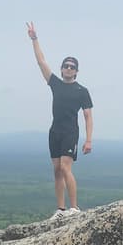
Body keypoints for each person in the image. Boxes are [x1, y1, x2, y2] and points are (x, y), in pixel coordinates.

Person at [26, 22, 94, 217]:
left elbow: (88, 116)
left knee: (65, 167)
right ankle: (60, 209)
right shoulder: (55, 83)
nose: (69, 69)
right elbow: (41, 62)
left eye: (72, 67)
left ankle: (74, 208)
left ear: (77, 71)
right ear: (62, 68)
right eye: (66, 66)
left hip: (70, 132)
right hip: (54, 131)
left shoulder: (82, 91)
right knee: (56, 170)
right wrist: (34, 39)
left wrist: (88, 140)